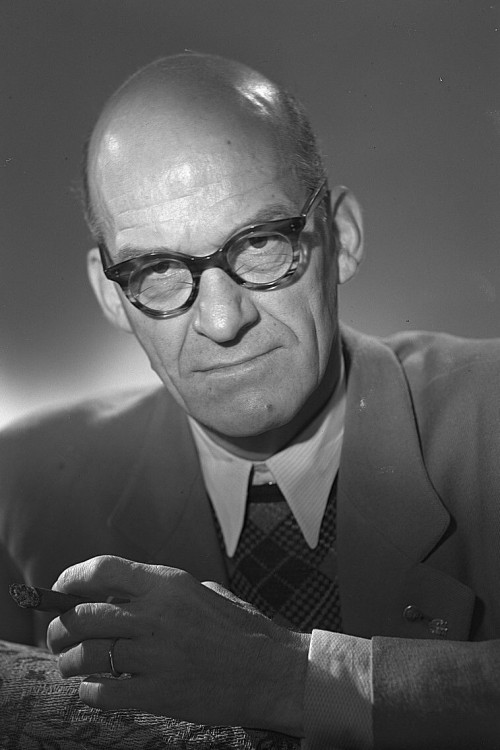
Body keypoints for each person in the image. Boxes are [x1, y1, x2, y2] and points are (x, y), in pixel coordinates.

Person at [1, 52, 500, 749]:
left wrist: (287, 678)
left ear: (342, 236)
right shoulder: (18, 489)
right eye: (157, 268)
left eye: (260, 242)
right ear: (112, 296)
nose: (221, 321)